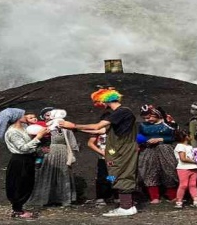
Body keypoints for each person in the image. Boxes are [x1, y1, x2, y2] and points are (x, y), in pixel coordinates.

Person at [60, 88, 138, 217]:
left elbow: (97, 127)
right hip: (119, 148)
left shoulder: (122, 111)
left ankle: (126, 207)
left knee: (122, 174)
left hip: (123, 148)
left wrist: (74, 125)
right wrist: (77, 130)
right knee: (117, 174)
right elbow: (100, 132)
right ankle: (127, 205)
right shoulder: (120, 114)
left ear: (104, 100)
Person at [0, 108, 49, 218]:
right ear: (17, 118)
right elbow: (23, 148)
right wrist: (39, 137)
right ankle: (18, 210)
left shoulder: (24, 128)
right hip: (20, 160)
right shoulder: (13, 132)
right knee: (19, 184)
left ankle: (19, 208)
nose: (25, 116)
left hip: (28, 158)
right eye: (23, 115)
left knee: (27, 183)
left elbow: (30, 142)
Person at [27, 108, 79, 207]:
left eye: (52, 115)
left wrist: (72, 154)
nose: (50, 117)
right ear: (43, 117)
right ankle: (45, 198)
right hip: (48, 154)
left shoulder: (64, 126)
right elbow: (33, 140)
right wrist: (41, 149)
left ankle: (64, 199)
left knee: (63, 173)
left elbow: (71, 140)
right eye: (47, 115)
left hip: (63, 153)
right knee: (46, 173)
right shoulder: (40, 127)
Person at [137, 104, 179, 204]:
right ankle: (154, 197)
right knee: (149, 171)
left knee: (169, 170)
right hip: (149, 150)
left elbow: (176, 137)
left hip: (165, 149)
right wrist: (145, 141)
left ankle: (172, 195)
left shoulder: (168, 124)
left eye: (149, 117)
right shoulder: (143, 125)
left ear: (156, 114)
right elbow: (139, 137)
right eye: (145, 118)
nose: (147, 120)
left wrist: (161, 139)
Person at [85, 111, 116, 206]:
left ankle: (114, 196)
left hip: (115, 158)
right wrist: (101, 152)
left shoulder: (116, 131)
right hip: (102, 158)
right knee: (102, 176)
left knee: (113, 177)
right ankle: (101, 197)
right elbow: (90, 143)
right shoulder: (98, 131)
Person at [174, 129, 197, 209]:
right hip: (183, 168)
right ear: (186, 137)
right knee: (183, 185)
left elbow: (195, 155)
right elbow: (183, 158)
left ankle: (196, 201)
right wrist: (195, 161)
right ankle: (179, 201)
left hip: (193, 168)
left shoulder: (190, 147)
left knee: (193, 185)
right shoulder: (180, 146)